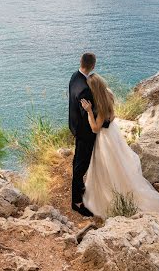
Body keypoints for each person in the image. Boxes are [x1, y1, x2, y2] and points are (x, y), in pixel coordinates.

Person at [81, 73, 159, 219]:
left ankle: (109, 201)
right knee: (118, 164)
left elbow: (95, 128)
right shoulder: (108, 94)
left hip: (103, 138)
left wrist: (89, 111)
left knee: (105, 168)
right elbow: (112, 116)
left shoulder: (99, 104)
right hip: (113, 133)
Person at [68, 52, 102, 217]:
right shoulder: (85, 90)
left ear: (80, 62)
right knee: (80, 167)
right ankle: (77, 203)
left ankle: (80, 189)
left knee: (77, 163)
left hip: (75, 128)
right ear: (93, 66)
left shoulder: (74, 77)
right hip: (85, 134)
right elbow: (88, 116)